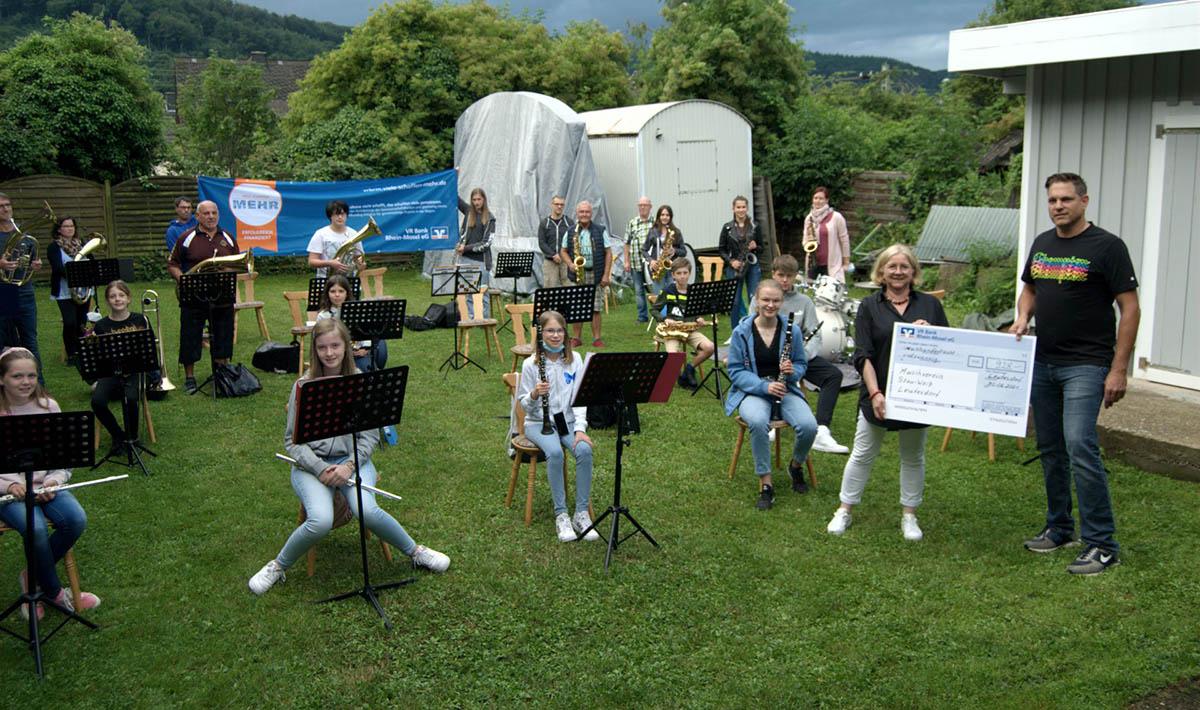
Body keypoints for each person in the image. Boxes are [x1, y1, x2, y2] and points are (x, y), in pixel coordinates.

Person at [248, 319, 450, 595]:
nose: (329, 353)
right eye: (322, 347)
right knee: (319, 521)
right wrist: (320, 469)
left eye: (335, 345)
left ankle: (416, 552)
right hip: (311, 467)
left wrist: (349, 466)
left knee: (366, 510)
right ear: (314, 351)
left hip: (353, 461)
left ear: (346, 346)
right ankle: (277, 566)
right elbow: (292, 442)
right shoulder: (303, 385)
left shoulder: (360, 381)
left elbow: (369, 437)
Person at [1010, 172, 1139, 576]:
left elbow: (1130, 308)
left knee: (1080, 447)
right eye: (1052, 200)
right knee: (1051, 449)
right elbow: (1030, 287)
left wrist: (1119, 369)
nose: (1058, 206)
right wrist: (1021, 317)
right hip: (1043, 362)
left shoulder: (1107, 247)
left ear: (1084, 201)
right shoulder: (1043, 244)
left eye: (1066, 199)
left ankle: (1102, 544)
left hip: (1087, 363)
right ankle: (1060, 527)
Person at [826, 244, 947, 541]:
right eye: (891, 266)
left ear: (913, 272)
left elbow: (947, 348)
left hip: (917, 394)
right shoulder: (869, 305)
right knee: (863, 453)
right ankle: (844, 509)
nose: (898, 271)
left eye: (904, 266)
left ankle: (909, 515)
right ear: (881, 271)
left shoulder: (930, 306)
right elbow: (863, 355)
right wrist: (875, 393)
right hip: (877, 391)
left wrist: (928, 333)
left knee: (913, 456)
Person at [0, 347, 101, 619]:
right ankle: (54, 592)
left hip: (46, 485)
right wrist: (9, 485)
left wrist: (54, 480)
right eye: (17, 376)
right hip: (9, 493)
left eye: (31, 375)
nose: (26, 382)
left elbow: (63, 457)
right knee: (35, 529)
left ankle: (31, 577)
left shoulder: (48, 406)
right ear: (1, 379)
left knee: (76, 519)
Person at [725, 279, 818, 510]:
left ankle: (796, 466)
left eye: (775, 300)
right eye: (765, 300)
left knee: (809, 426)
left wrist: (793, 370)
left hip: (784, 389)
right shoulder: (742, 331)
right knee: (757, 421)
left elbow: (800, 363)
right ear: (756, 300)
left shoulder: (791, 330)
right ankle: (766, 483)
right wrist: (763, 387)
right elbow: (735, 370)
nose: (770, 305)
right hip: (753, 391)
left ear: (782, 301)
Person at [749, 255, 849, 454]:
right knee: (771, 375)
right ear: (773, 274)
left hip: (796, 357)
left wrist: (801, 358)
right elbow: (750, 330)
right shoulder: (761, 298)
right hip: (767, 358)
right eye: (781, 275)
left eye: (789, 276)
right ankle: (770, 419)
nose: (785, 280)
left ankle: (821, 430)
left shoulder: (804, 301)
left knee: (833, 376)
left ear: (796, 276)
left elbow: (815, 335)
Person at [516, 310, 599, 542]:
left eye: (560, 330)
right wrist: (533, 395)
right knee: (554, 452)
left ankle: (581, 514)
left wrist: (580, 429)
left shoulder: (576, 360)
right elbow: (525, 406)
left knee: (584, 450)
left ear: (566, 332)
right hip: (537, 423)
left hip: (568, 421)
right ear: (541, 333)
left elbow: (581, 399)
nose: (555, 335)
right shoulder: (531, 364)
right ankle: (561, 514)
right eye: (550, 330)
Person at [166, 200, 240, 394]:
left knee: (223, 334)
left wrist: (228, 269)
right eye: (206, 213)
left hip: (222, 295)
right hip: (194, 295)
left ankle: (221, 373)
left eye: (214, 213)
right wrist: (182, 279)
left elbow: (238, 263)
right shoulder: (186, 237)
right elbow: (172, 264)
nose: (211, 216)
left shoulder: (228, 238)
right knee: (190, 335)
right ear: (197, 217)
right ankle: (190, 377)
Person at [88, 280, 152, 457]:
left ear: (128, 298)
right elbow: (100, 356)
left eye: (121, 295)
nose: (117, 299)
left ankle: (133, 437)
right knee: (97, 401)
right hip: (111, 371)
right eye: (112, 296)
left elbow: (149, 350)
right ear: (107, 301)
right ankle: (119, 436)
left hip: (136, 370)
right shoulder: (101, 325)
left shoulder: (140, 319)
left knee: (131, 398)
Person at [0, 193, 45, 384]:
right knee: (3, 340)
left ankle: (39, 387)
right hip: (4, 291)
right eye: (1, 206)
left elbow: (34, 259)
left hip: (25, 291)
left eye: (8, 205)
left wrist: (36, 264)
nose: (6, 209)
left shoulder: (24, 235)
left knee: (30, 341)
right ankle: (7, 385)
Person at [655, 258, 714, 391]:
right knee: (673, 356)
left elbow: (696, 311)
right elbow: (654, 309)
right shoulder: (668, 290)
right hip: (672, 331)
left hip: (689, 329)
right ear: (673, 275)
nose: (682, 276)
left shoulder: (693, 291)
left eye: (685, 273)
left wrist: (699, 318)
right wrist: (665, 319)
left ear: (689, 273)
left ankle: (689, 368)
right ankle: (681, 377)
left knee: (710, 347)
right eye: (679, 273)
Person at [559, 201, 612, 348]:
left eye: (587, 212)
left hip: (595, 273)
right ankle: (577, 338)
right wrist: (570, 264)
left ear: (591, 213)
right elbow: (563, 251)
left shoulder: (600, 230)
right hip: (577, 275)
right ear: (577, 213)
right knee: (577, 307)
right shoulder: (570, 231)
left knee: (596, 308)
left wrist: (606, 275)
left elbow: (608, 252)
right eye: (581, 212)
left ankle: (596, 338)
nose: (584, 215)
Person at [314, 274, 387, 373]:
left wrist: (365, 348)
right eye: (333, 291)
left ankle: (374, 364)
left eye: (341, 291)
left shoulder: (356, 311)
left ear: (347, 293)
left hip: (359, 350)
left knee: (381, 346)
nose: (337, 295)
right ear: (327, 294)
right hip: (340, 354)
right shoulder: (323, 315)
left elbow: (366, 331)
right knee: (366, 368)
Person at [46, 215, 92, 366]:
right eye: (66, 226)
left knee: (81, 321)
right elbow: (58, 267)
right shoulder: (54, 247)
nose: (69, 229)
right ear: (59, 229)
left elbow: (91, 261)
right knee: (69, 322)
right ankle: (71, 354)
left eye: (71, 226)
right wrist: (77, 275)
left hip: (83, 290)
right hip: (65, 290)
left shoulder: (82, 244)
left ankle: (82, 351)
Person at [719, 195, 763, 323]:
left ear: (747, 208)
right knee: (735, 301)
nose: (741, 210)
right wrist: (731, 261)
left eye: (743, 207)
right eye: (738, 207)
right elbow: (721, 250)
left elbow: (762, 248)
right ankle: (735, 332)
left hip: (752, 266)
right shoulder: (727, 228)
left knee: (754, 299)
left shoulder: (755, 226)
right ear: (733, 209)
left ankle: (754, 327)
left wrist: (756, 246)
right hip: (735, 267)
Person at [457, 187, 496, 317]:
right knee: (467, 291)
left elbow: (486, 243)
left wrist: (466, 247)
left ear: (484, 200)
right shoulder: (469, 212)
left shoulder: (490, 218)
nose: (476, 202)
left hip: (481, 261)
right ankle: (471, 317)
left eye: (479, 199)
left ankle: (484, 318)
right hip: (466, 259)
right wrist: (454, 178)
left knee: (483, 292)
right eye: (474, 199)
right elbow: (455, 199)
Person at [802, 187, 852, 283]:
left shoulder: (836, 217)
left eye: (821, 198)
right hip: (814, 262)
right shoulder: (809, 218)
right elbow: (805, 240)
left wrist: (846, 262)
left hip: (831, 263)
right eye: (815, 198)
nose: (818, 201)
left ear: (826, 200)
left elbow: (844, 240)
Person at [306, 199, 364, 278]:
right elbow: (311, 262)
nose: (340, 217)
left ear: (347, 216)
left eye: (343, 214)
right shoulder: (321, 234)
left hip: (349, 281)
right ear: (330, 216)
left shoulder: (353, 234)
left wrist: (360, 264)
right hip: (326, 281)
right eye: (337, 214)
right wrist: (330, 263)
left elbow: (358, 257)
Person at [641, 204, 687, 297]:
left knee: (672, 297)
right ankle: (661, 312)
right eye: (662, 215)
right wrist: (651, 261)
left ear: (670, 217)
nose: (665, 217)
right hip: (658, 269)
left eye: (667, 215)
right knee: (659, 298)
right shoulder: (653, 231)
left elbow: (684, 251)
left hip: (672, 269)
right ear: (659, 216)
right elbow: (644, 250)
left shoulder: (676, 232)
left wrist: (675, 251)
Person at [624, 197, 654, 322]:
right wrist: (626, 261)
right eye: (640, 205)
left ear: (650, 207)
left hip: (653, 264)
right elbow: (627, 243)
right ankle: (642, 317)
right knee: (638, 291)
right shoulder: (632, 223)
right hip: (636, 262)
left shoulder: (656, 222)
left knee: (656, 289)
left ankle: (660, 315)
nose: (642, 207)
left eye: (645, 205)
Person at [538, 195, 572, 288]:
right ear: (551, 205)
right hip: (550, 261)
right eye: (557, 204)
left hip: (566, 261)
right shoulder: (545, 223)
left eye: (561, 205)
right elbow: (541, 242)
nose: (559, 207)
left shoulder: (569, 222)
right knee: (549, 289)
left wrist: (564, 254)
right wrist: (553, 254)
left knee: (569, 288)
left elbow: (573, 240)